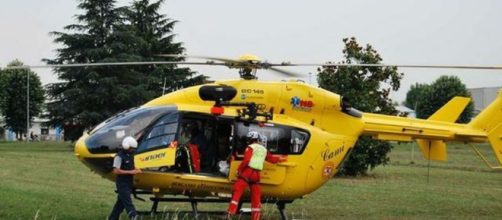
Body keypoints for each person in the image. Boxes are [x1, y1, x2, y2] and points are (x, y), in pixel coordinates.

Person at [227, 131, 287, 220]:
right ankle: (256, 217)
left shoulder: (250, 148)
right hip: (256, 175)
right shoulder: (263, 149)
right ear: (257, 139)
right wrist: (281, 159)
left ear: (250, 139)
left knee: (237, 190)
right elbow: (271, 159)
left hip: (248, 172)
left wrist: (239, 170)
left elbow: (246, 161)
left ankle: (230, 213)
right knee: (256, 196)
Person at [108, 136, 142, 220]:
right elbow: (116, 171)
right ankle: (134, 217)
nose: (133, 150)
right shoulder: (118, 157)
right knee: (128, 203)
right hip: (122, 183)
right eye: (132, 148)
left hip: (129, 182)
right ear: (127, 147)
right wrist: (131, 172)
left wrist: (136, 168)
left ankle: (112, 218)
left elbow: (130, 165)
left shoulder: (130, 155)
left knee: (120, 204)